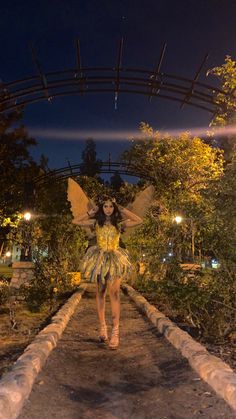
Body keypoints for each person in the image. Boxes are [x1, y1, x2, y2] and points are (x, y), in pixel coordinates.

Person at [74, 196, 142, 350]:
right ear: (101, 208)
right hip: (99, 259)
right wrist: (91, 211)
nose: (108, 209)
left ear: (114, 207)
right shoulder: (96, 223)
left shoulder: (119, 224)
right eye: (105, 206)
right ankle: (103, 326)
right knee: (101, 292)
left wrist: (122, 208)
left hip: (114, 258)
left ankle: (116, 332)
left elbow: (139, 220)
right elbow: (76, 221)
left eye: (111, 206)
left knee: (115, 293)